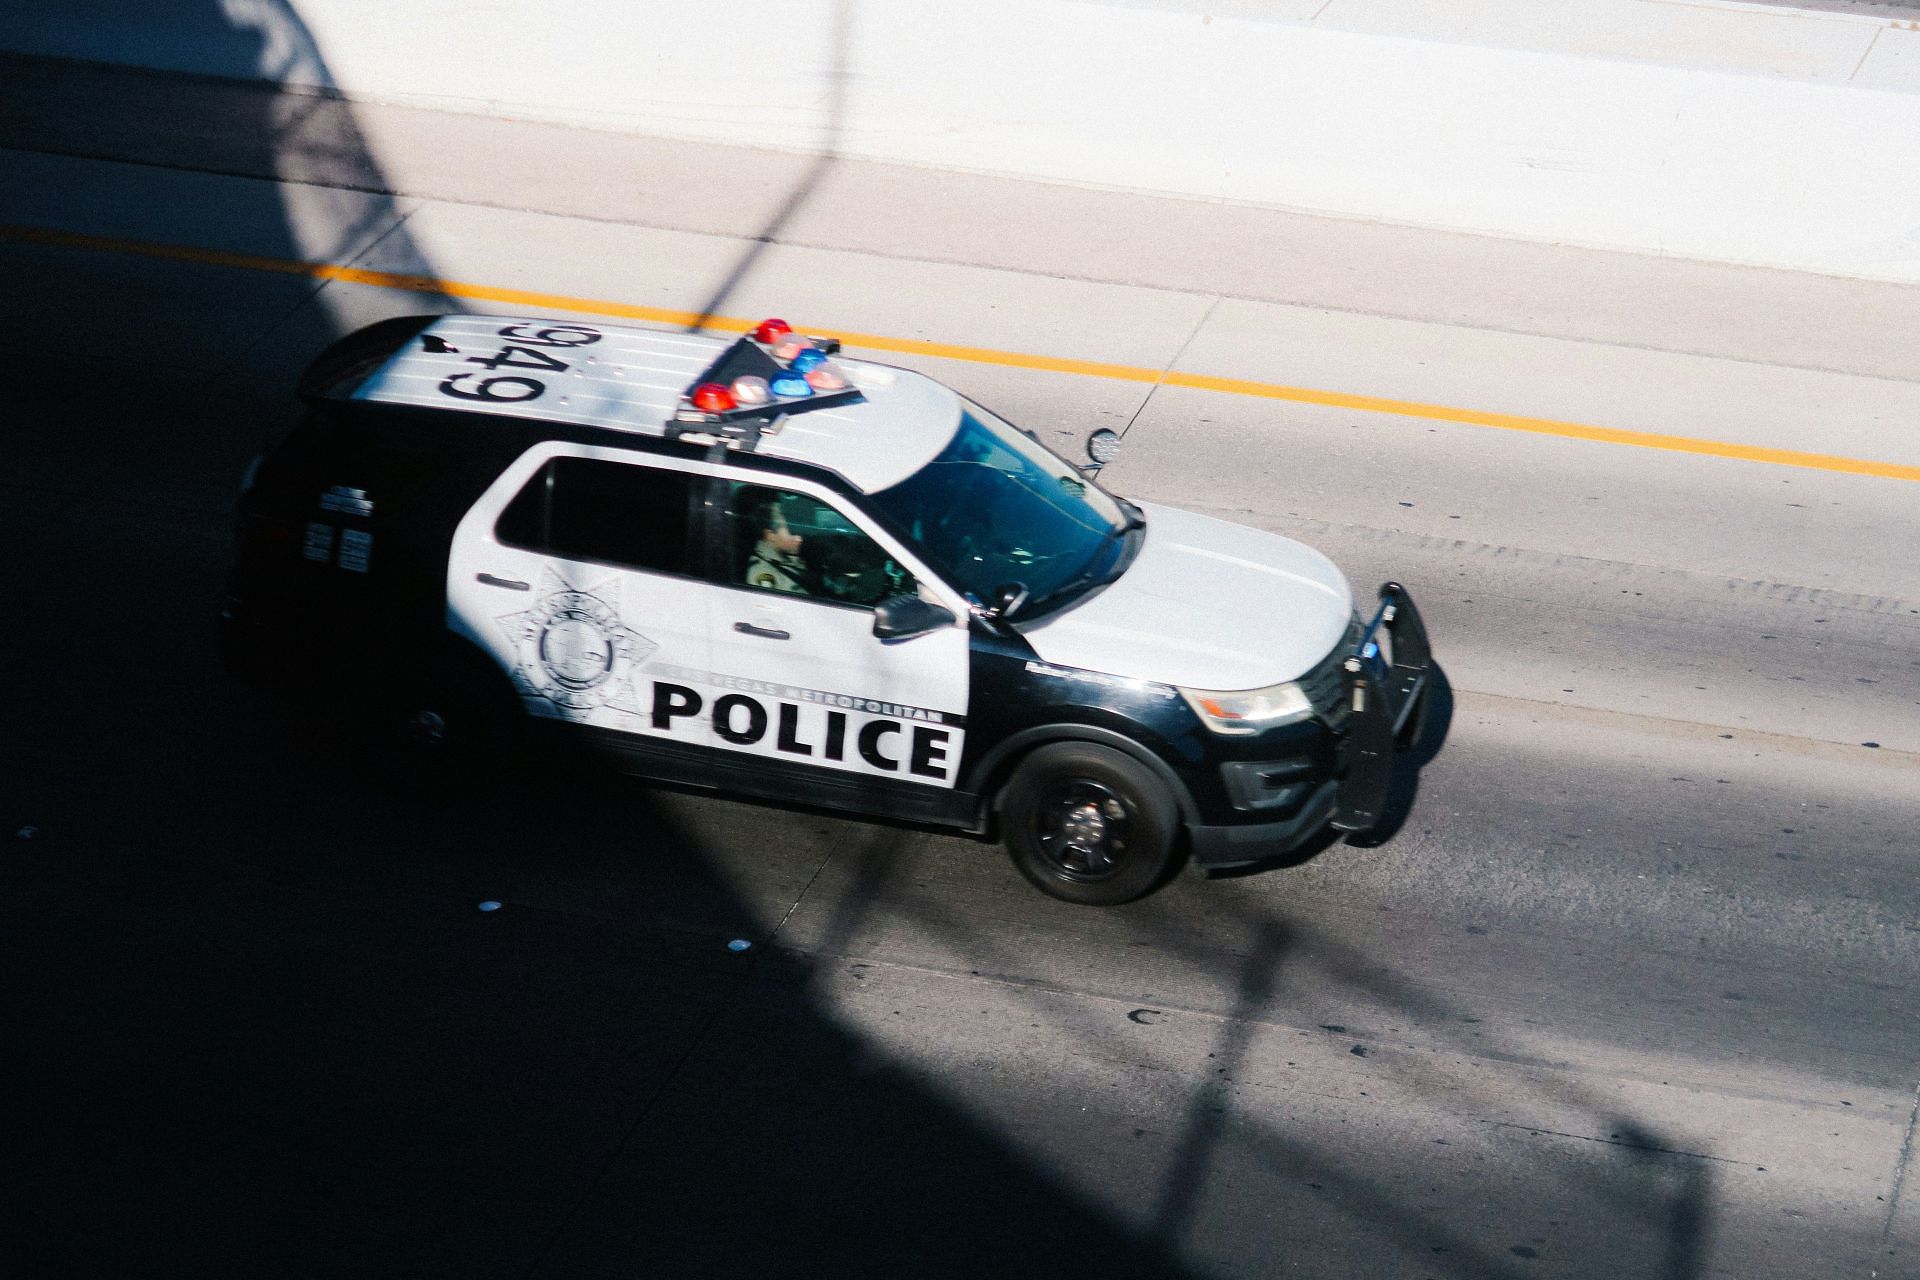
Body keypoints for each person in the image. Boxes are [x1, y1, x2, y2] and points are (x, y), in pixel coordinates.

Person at [741, 490, 813, 595]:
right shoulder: (764, 573)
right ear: (770, 535)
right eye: (791, 531)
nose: (799, 538)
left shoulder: (784, 558)